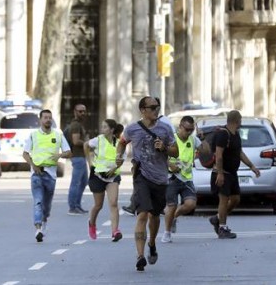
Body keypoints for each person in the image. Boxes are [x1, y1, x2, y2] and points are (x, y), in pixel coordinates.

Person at [115, 96, 177, 272]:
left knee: (155, 216)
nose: (156, 110)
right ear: (143, 110)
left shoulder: (165, 129)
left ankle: (152, 243)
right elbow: (121, 143)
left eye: (157, 107)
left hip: (160, 178)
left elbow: (176, 152)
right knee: (142, 214)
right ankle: (140, 256)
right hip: (141, 176)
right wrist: (118, 156)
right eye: (152, 107)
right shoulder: (132, 129)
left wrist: (164, 147)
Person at [208, 110, 261, 239]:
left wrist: (252, 166)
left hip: (232, 173)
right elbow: (219, 155)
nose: (241, 123)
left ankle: (216, 218)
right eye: (240, 120)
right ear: (237, 120)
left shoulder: (236, 134)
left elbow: (240, 153)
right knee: (224, 200)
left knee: (236, 199)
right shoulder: (223, 134)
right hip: (222, 173)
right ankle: (222, 228)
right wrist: (220, 173)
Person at [23, 109, 71, 242]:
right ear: (40, 120)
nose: (48, 120)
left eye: (50, 117)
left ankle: (44, 221)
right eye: (45, 117)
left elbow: (68, 152)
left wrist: (60, 155)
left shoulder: (58, 135)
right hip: (37, 173)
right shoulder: (33, 135)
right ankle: (38, 228)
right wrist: (33, 165)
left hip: (50, 174)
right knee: (37, 201)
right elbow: (25, 154)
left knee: (47, 205)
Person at [161, 116, 203, 243]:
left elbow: (206, 152)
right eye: (186, 129)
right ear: (180, 127)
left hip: (186, 178)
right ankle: (167, 233)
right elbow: (160, 154)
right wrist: (169, 164)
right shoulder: (170, 139)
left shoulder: (194, 139)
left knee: (191, 204)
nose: (189, 132)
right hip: (171, 177)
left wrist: (202, 138)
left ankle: (173, 217)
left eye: (191, 130)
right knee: (171, 206)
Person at [84, 119, 124, 242]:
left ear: (112, 130)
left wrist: (114, 168)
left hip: (113, 176)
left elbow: (121, 159)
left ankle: (115, 231)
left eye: (105, 127)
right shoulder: (98, 140)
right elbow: (86, 145)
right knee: (98, 205)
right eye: (102, 126)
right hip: (98, 176)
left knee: (113, 203)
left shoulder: (119, 143)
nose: (102, 129)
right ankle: (92, 223)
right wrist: (90, 163)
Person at [65, 103, 89, 215]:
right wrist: (87, 143)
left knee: (83, 182)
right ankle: (72, 207)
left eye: (84, 111)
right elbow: (75, 141)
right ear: (75, 112)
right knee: (76, 182)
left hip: (81, 156)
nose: (82, 113)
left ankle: (77, 205)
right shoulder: (75, 125)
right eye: (80, 111)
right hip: (77, 156)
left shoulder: (80, 124)